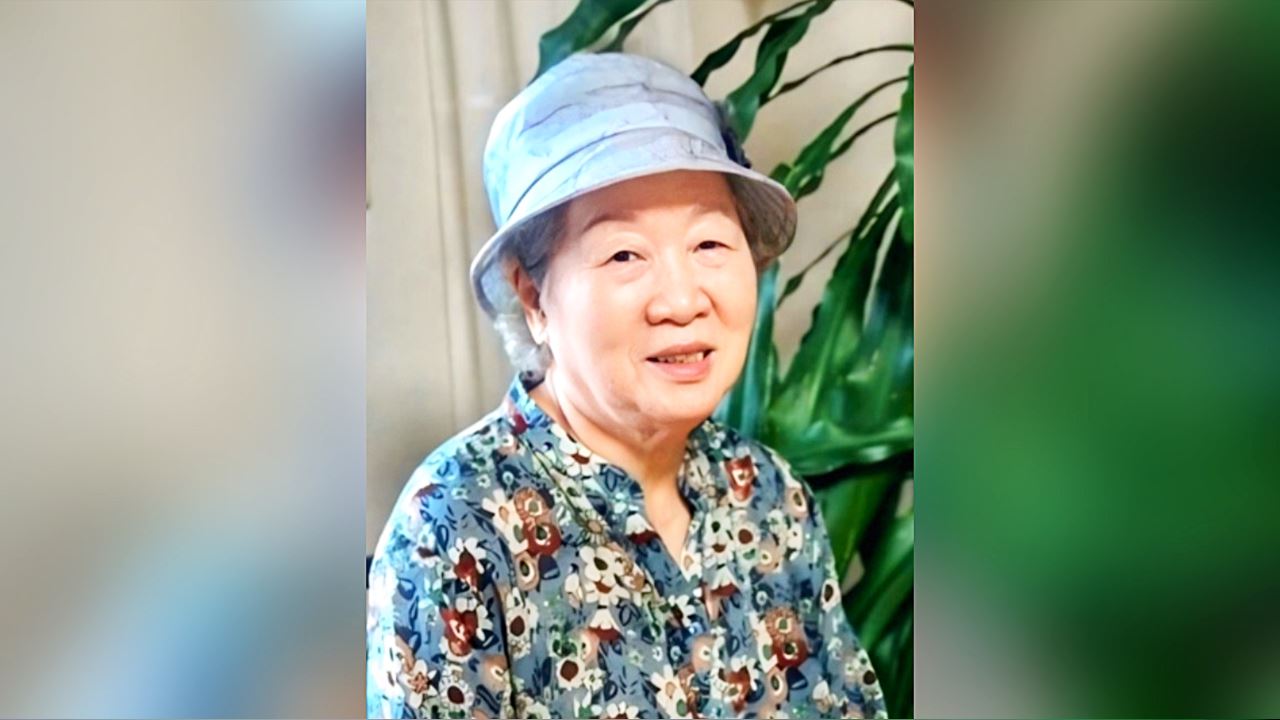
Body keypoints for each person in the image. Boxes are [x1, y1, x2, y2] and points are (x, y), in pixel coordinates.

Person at [367, 52, 886, 719]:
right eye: (623, 254)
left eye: (709, 245)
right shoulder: (454, 527)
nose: (682, 300)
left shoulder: (768, 497)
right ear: (533, 298)